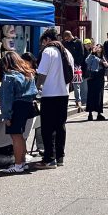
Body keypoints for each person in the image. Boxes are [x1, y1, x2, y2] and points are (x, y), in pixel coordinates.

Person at [35, 29, 74, 169]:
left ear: (46, 40)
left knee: (47, 128)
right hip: (64, 93)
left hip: (49, 93)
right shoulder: (67, 52)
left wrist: (36, 87)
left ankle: (49, 159)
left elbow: (42, 74)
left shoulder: (48, 51)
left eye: (42, 43)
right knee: (60, 126)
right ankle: (60, 156)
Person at [0, 51, 37, 174]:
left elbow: (6, 98)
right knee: (21, 136)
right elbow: (34, 91)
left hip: (16, 106)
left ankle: (18, 164)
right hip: (28, 105)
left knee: (15, 136)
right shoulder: (28, 73)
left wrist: (6, 116)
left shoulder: (9, 76)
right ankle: (22, 162)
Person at [22, 52, 43, 156]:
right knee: (25, 127)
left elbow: (38, 86)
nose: (26, 64)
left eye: (28, 62)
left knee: (38, 124)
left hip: (36, 101)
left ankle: (40, 146)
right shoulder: (21, 72)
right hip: (29, 101)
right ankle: (23, 147)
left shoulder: (36, 72)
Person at [63, 31, 86, 111]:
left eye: (67, 38)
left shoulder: (78, 42)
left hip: (76, 66)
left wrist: (78, 64)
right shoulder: (65, 43)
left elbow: (81, 54)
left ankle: (78, 101)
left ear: (70, 36)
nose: (66, 40)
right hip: (68, 66)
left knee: (76, 85)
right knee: (67, 84)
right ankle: (66, 100)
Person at [84, 43, 108, 120]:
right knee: (91, 95)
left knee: (99, 95)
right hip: (92, 77)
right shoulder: (92, 55)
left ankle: (99, 113)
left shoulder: (103, 56)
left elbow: (107, 67)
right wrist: (92, 52)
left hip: (100, 77)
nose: (98, 48)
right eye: (97, 47)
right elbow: (87, 61)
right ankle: (90, 113)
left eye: (99, 47)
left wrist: (106, 65)